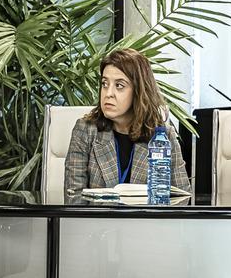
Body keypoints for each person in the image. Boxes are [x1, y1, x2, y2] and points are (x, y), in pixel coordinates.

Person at [64, 48, 191, 198]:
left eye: (119, 85)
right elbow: (74, 198)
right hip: (97, 220)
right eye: (105, 84)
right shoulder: (86, 130)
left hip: (147, 220)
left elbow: (182, 197)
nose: (108, 93)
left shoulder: (163, 136)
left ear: (139, 91)